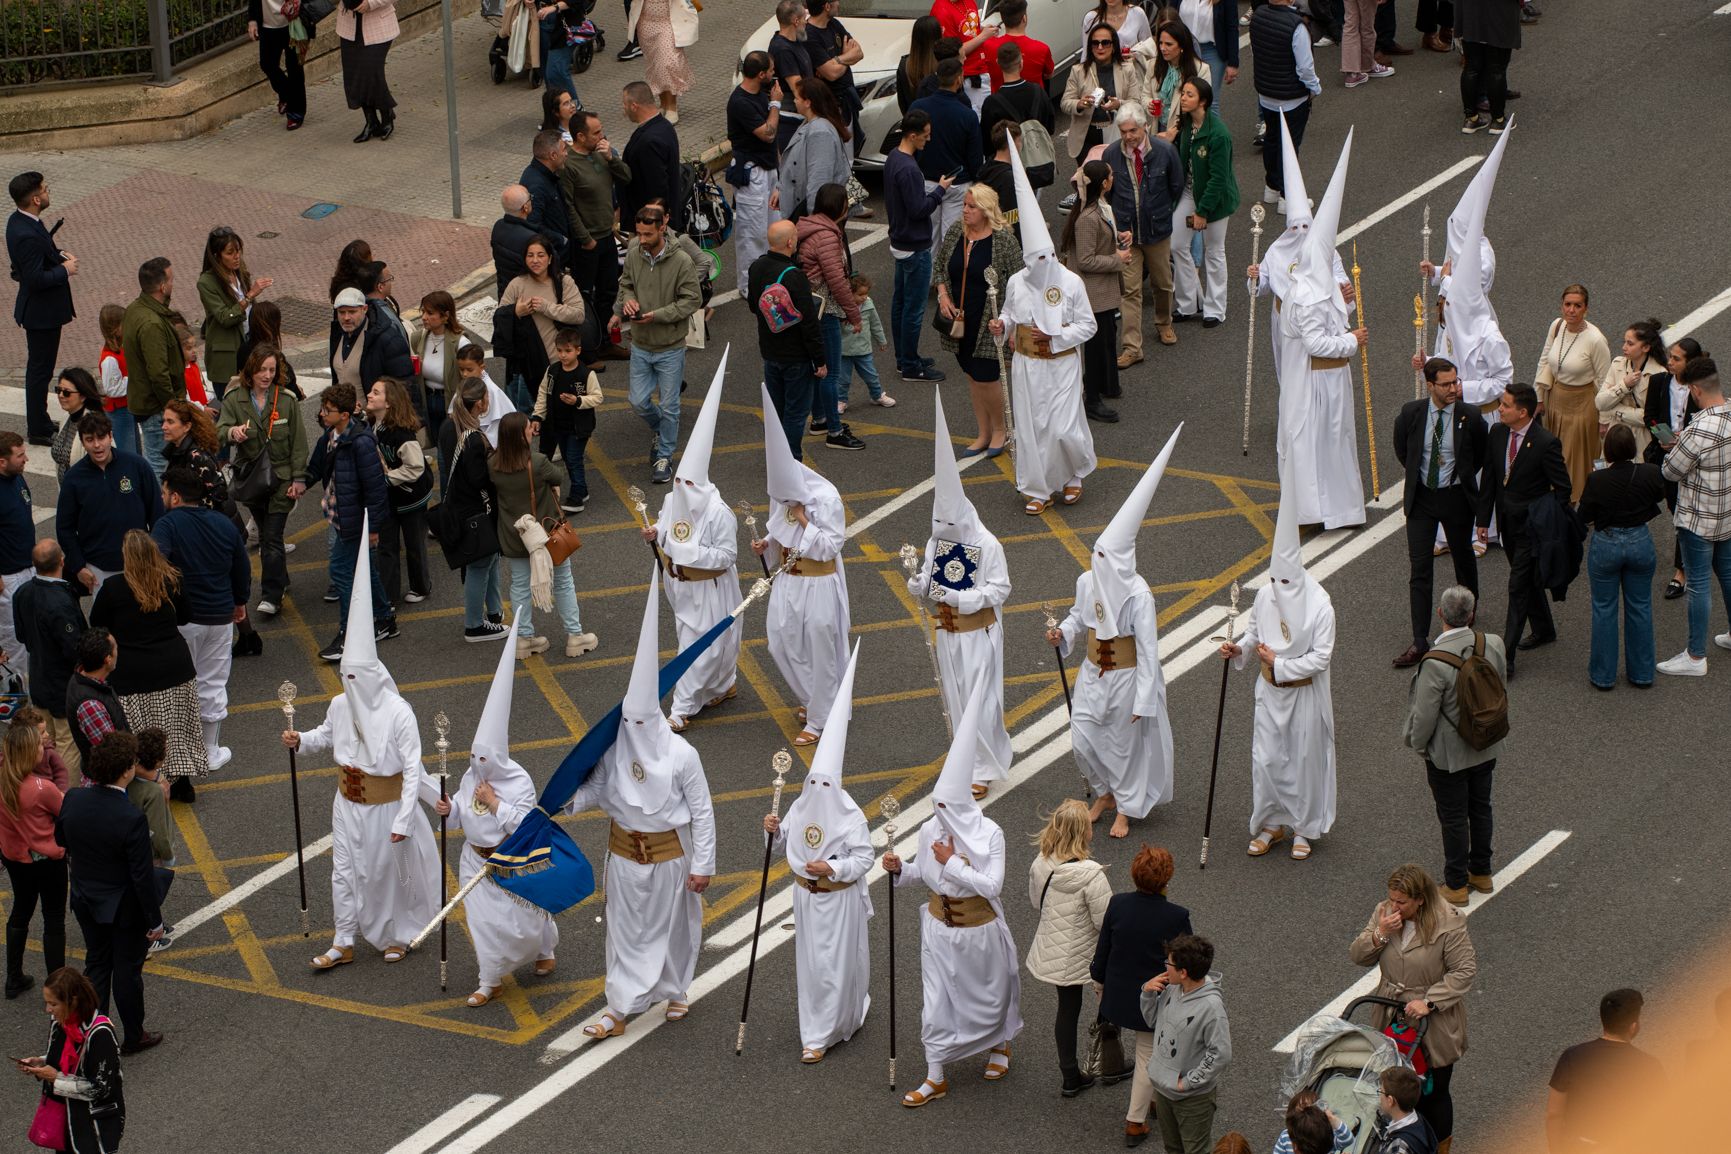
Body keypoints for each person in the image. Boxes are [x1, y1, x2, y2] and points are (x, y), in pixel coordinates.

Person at [570, 571, 716, 1040]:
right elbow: (597, 786)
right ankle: (620, 1007)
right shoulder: (616, 749)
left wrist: (705, 865)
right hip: (624, 856)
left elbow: (703, 812)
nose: (632, 727)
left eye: (639, 720)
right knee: (625, 933)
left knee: (673, 928)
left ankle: (676, 989)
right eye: (626, 720)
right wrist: (570, 801)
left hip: (672, 856)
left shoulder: (682, 755)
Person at [284, 546, 439, 970]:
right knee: (344, 870)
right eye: (343, 677)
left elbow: (411, 769)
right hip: (346, 802)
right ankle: (343, 937)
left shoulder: (398, 712)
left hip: (386, 807)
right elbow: (326, 735)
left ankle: (399, 934)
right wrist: (301, 740)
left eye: (354, 677)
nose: (347, 684)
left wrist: (406, 820)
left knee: (387, 874)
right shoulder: (340, 705)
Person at [884, 682, 1022, 1107]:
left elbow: (993, 885)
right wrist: (899, 871)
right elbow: (922, 876)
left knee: (989, 995)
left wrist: (953, 862)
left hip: (979, 931)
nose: (937, 818)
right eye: (935, 808)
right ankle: (935, 1073)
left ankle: (999, 1044)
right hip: (939, 931)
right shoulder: (931, 831)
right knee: (936, 1003)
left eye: (945, 808)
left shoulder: (990, 833)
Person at [1052, 432, 1181, 839]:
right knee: (1084, 739)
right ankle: (1104, 791)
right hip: (1093, 673)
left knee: (1123, 747)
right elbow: (1078, 618)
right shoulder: (1087, 582)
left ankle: (1125, 806)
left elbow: (1147, 650)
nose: (1098, 563)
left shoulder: (1139, 596)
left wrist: (1144, 698)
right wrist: (1063, 633)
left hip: (1125, 678)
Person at [428, 609, 558, 1007]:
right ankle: (489, 980)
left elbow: (525, 827)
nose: (478, 766)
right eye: (474, 758)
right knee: (483, 923)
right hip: (475, 861)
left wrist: (495, 803)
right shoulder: (469, 776)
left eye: (485, 760)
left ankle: (544, 947)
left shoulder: (518, 781)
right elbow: (462, 819)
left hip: (511, 860)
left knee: (525, 921)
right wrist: (449, 811)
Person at [762, 640, 871, 1062]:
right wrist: (771, 831)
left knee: (837, 966)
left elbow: (864, 859)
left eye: (826, 785)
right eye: (814, 784)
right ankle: (815, 1032)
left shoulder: (850, 815)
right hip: (805, 900)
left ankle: (836, 1024)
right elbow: (780, 843)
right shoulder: (799, 805)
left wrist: (834, 866)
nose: (819, 791)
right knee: (811, 967)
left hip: (838, 899)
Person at [1221, 477, 1337, 861]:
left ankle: (1303, 827)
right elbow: (1255, 632)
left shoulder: (1320, 606)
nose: (1276, 588)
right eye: (1273, 580)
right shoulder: (1269, 593)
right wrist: (1239, 648)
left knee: (1302, 761)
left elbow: (1321, 657)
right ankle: (1271, 823)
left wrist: (1280, 663)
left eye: (1283, 581)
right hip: (1270, 692)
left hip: (1302, 693)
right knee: (1267, 759)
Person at [907, 393, 1011, 796]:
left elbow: (1001, 588)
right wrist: (921, 585)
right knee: (956, 696)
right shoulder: (940, 538)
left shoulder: (988, 544)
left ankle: (983, 767)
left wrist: (961, 598)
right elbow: (930, 578)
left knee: (981, 702)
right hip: (948, 632)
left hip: (978, 632)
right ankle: (963, 758)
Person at [991, 150, 1098, 513]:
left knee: (1063, 428)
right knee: (1033, 427)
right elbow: (1008, 313)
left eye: (1045, 258)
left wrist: (1055, 338)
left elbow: (1088, 324)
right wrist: (1001, 325)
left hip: (1062, 364)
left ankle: (1073, 474)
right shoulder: (1017, 283)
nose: (1040, 266)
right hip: (1026, 365)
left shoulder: (1070, 283)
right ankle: (1037, 488)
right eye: (1032, 260)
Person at [1350, 863, 1479, 1150]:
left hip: (1433, 1022)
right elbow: (1358, 955)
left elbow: (1464, 970)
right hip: (1391, 1014)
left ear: (1420, 899)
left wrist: (1430, 1002)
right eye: (1391, 898)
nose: (1394, 906)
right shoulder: (1384, 913)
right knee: (1392, 1087)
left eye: (1402, 902)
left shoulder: (1449, 922)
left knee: (1434, 1093)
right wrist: (1380, 933)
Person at [1276, 131, 1365, 528]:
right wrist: (1352, 340)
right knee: (1315, 443)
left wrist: (1347, 299)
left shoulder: (1320, 285)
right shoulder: (1306, 294)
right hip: (1316, 381)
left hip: (1333, 380)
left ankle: (1341, 509)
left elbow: (1339, 311)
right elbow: (1315, 341)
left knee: (1336, 443)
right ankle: (1313, 510)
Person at [57, 729, 165, 1053]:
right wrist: (155, 921)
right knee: (127, 972)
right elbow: (142, 877)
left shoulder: (74, 799)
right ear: (126, 770)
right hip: (122, 907)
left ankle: (92, 1032)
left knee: (97, 964)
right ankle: (134, 1035)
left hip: (84, 898)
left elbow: (62, 840)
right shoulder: (130, 817)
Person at [754, 385, 850, 745]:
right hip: (788, 582)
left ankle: (821, 717)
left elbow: (829, 547)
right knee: (780, 642)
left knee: (819, 647)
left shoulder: (826, 499)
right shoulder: (783, 494)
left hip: (819, 583)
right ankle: (812, 699)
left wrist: (805, 520)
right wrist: (767, 543)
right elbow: (780, 531)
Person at [647, 363, 740, 731]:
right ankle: (722, 685)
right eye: (679, 481)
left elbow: (728, 556)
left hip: (710, 587)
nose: (682, 489)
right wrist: (654, 532)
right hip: (679, 585)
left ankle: (680, 709)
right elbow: (664, 521)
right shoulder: (675, 500)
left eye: (688, 483)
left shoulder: (720, 513)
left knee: (699, 648)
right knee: (704, 647)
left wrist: (690, 555)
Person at [1402, 586, 1506, 904]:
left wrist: (1420, 747)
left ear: (1440, 614)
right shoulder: (1493, 644)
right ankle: (1482, 872)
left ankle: (1456, 883)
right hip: (1485, 744)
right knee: (1481, 807)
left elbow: (1424, 717)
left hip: (1448, 755)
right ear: (1471, 615)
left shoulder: (1435, 662)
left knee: (1453, 816)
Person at [88, 532, 208, 800]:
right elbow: (187, 615)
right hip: (175, 667)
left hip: (133, 674)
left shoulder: (114, 588)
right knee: (176, 729)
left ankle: (145, 783)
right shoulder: (171, 579)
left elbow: (97, 625)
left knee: (140, 733)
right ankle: (182, 784)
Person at [1091, 845, 1194, 1146]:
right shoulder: (1176, 916)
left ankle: (1149, 1101)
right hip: (1154, 998)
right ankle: (1135, 1121)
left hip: (1118, 995)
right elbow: (1186, 959)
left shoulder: (1118, 904)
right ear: (1167, 879)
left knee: (1146, 1054)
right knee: (1148, 1055)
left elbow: (1103, 950)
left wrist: (1099, 983)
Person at [149, 468, 247, 775]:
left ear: (176, 496)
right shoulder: (222, 523)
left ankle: (173, 752)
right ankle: (209, 751)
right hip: (220, 617)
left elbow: (155, 564)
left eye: (165, 493)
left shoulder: (166, 526)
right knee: (212, 682)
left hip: (182, 620)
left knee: (176, 683)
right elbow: (241, 565)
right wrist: (240, 601)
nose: (163, 498)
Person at [1393, 360, 1489, 666]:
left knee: (1463, 558)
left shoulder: (1470, 416)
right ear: (1430, 385)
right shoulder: (1412, 413)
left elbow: (1480, 455)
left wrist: (1458, 478)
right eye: (1446, 384)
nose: (1453, 389)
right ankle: (1420, 640)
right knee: (1419, 569)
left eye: (1455, 382)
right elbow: (1403, 451)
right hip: (1421, 498)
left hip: (1456, 498)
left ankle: (1466, 625)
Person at [1479, 383, 1572, 677]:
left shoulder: (1545, 443)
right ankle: (1544, 629)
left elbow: (1563, 489)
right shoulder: (1497, 433)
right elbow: (1491, 479)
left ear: (1523, 412)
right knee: (1527, 581)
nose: (1500, 409)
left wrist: (1543, 520)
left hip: (1531, 529)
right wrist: (1483, 520)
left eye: (1505, 405)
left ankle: (1506, 657)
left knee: (1517, 586)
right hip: (1507, 522)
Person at [489, 412, 597, 661]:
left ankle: (524, 639)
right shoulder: (537, 462)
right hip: (546, 533)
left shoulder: (493, 465)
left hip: (514, 535)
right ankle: (575, 635)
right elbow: (557, 478)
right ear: (520, 435)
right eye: (529, 428)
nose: (532, 431)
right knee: (563, 581)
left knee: (519, 586)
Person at [1026, 799, 1112, 1096]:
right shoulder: (1092, 874)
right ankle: (1109, 1062)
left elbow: (1036, 901)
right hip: (1088, 952)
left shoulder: (1041, 862)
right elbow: (1105, 921)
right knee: (1109, 1002)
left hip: (1055, 947)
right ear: (1081, 832)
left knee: (1067, 1010)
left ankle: (1070, 1074)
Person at [217, 346, 307, 620]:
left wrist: (299, 479)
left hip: (280, 479)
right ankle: (280, 577)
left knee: (271, 536)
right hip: (253, 480)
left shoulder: (287, 400)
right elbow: (219, 431)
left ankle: (271, 595)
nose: (267, 375)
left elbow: (299, 443)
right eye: (262, 370)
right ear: (250, 371)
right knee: (270, 535)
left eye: (272, 369)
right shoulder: (235, 398)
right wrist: (233, 432)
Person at [615, 205, 701, 485]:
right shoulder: (634, 253)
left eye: (647, 234)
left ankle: (664, 455)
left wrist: (658, 315)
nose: (641, 239)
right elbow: (625, 283)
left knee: (670, 406)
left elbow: (692, 300)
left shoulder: (682, 262)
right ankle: (661, 430)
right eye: (638, 233)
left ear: (662, 228)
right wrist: (627, 301)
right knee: (638, 401)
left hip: (670, 347)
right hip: (640, 344)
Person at [1659, 357, 1731, 677]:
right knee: (1728, 576)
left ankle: (1695, 656)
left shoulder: (1698, 427)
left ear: (1695, 390)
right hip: (1728, 514)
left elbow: (1671, 471)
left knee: (1699, 585)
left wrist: (1671, 447)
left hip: (1698, 520)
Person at [314, 382, 396, 662]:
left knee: (340, 572)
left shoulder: (360, 442)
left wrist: (373, 528)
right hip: (340, 517)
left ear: (345, 415)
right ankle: (384, 619)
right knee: (368, 568)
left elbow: (376, 489)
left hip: (352, 522)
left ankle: (349, 633)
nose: (323, 414)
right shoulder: (332, 435)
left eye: (329, 410)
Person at [939, 186, 1022, 459]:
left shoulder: (1004, 241)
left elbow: (1019, 282)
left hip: (989, 319)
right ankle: (983, 432)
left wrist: (1011, 321)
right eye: (964, 204)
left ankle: (1001, 430)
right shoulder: (956, 232)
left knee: (987, 376)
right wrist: (942, 296)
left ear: (986, 210)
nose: (965, 210)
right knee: (972, 375)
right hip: (961, 318)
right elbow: (941, 266)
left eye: (971, 206)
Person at [1579, 426, 1664, 689]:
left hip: (1607, 543)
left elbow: (1584, 515)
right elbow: (1659, 495)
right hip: (1640, 540)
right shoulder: (1649, 472)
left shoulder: (1598, 480)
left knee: (1604, 609)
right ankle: (1642, 673)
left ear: (1608, 451)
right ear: (1632, 449)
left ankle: (1603, 676)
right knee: (1640, 606)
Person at [1140, 933, 1231, 1154]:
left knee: (1195, 1151)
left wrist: (1188, 1083)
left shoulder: (1211, 1008)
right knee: (1173, 1148)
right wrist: (1147, 993)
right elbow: (1152, 1021)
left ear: (1183, 972)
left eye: (1169, 963)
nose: (1164, 966)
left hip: (1192, 1100)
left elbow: (1221, 1054)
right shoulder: (1171, 989)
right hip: (1163, 1090)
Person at [56, 413, 164, 599]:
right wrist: (79, 566)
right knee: (105, 626)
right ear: (82, 442)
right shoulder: (73, 478)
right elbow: (64, 528)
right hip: (98, 569)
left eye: (101, 437)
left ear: (110, 436)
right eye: (90, 440)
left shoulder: (137, 466)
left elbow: (157, 514)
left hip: (139, 565)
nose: (97, 445)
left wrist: (156, 557)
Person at [17, 968, 127, 1148]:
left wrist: (55, 1079)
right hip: (65, 1122)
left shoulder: (101, 1034)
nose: (48, 1009)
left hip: (93, 1128)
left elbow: (100, 1089)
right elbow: (67, 1059)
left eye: (53, 1004)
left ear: (73, 1000)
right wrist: (41, 1061)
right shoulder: (60, 1021)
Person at [1106, 106, 1182, 366]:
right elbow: (1107, 194)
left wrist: (1160, 213)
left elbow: (1176, 186)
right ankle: (1132, 347)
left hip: (1157, 231)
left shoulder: (1165, 152)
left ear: (1145, 127)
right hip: (1127, 235)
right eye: (1123, 131)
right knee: (1130, 291)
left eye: (1133, 131)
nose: (1128, 136)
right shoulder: (1111, 155)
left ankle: (1164, 322)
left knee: (1162, 283)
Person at [1546, 989, 1664, 1154]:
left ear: (1604, 1020)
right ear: (1633, 1026)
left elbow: (1554, 1114)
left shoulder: (1572, 1056)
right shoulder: (1650, 1066)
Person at [796, 184, 868, 451]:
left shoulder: (810, 225)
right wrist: (854, 313)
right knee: (831, 373)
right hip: (824, 311)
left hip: (812, 307)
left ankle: (821, 419)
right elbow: (837, 281)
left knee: (819, 369)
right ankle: (835, 432)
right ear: (841, 209)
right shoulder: (826, 236)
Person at [0, 711, 66, 997]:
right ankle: (56, 988)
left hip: (15, 858)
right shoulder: (41, 788)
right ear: (29, 752)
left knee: (21, 910)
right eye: (40, 745)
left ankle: (13, 976)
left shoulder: (4, 781)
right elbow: (65, 813)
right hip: (47, 860)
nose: (44, 748)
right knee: (53, 919)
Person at [436, 377, 508, 644]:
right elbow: (480, 479)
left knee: (487, 560)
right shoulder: (475, 439)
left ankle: (494, 612)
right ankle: (475, 625)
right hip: (476, 510)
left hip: (457, 506)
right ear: (481, 403)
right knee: (482, 564)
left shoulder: (447, 427)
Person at [884, 110, 952, 385]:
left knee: (900, 303)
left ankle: (904, 358)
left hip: (900, 242)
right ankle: (911, 365)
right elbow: (919, 208)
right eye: (925, 134)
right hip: (915, 245)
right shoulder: (910, 169)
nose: (929, 138)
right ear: (913, 135)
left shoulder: (893, 158)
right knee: (913, 310)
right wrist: (940, 191)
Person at [8, 173, 77, 447]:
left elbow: (40, 254)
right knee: (40, 371)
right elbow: (34, 279)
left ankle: (42, 420)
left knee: (42, 368)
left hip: (42, 311)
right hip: (41, 313)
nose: (48, 193)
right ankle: (37, 428)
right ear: (36, 199)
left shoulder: (22, 221)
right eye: (45, 190)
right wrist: (65, 270)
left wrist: (59, 255)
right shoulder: (25, 233)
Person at [750, 220, 827, 463]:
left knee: (777, 410)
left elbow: (754, 306)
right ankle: (791, 461)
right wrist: (820, 360)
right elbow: (809, 322)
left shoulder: (757, 267)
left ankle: (775, 457)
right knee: (795, 412)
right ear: (791, 242)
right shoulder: (794, 276)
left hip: (770, 351)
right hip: (796, 356)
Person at [12, 542, 86, 778]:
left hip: (38, 678)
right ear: (62, 561)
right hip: (62, 684)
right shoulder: (61, 602)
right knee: (67, 746)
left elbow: (21, 635)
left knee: (44, 743)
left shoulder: (22, 593)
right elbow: (75, 648)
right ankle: (65, 800)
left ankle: (44, 793)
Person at [1060, 159, 1126, 423]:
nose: (1113, 177)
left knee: (1109, 338)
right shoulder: (1088, 218)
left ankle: (1108, 384)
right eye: (1110, 175)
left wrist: (1120, 237)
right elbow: (1086, 260)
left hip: (1103, 291)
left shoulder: (1098, 209)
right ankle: (1092, 399)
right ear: (1104, 183)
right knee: (1097, 346)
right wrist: (1118, 259)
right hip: (1094, 293)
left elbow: (1101, 241)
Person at [1534, 284, 1611, 502]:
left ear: (1586, 308)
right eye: (1568, 305)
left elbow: (1606, 381)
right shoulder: (1557, 326)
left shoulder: (1595, 340)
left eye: (1577, 305)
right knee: (1553, 455)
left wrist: (1604, 420)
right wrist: (1539, 397)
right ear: (1561, 307)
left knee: (1573, 462)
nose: (1571, 310)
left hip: (1581, 406)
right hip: (1555, 401)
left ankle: (1572, 505)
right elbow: (1544, 359)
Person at [1172, 79, 1239, 329]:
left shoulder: (1218, 134)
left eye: (1189, 94)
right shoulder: (1188, 125)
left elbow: (1219, 179)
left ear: (1203, 101)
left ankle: (1215, 308)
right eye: (1183, 93)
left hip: (1215, 200)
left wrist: (1202, 212)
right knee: (1177, 244)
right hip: (1190, 192)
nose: (1184, 98)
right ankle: (1189, 302)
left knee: (1214, 250)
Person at [363, 378, 431, 610]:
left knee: (415, 544)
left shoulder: (402, 434)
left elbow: (415, 468)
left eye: (375, 392)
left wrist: (386, 479)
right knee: (387, 546)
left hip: (412, 498)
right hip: (389, 499)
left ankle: (421, 586)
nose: (369, 395)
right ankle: (388, 597)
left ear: (389, 402)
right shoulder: (373, 425)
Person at [1644, 337, 1705, 600]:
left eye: (1676, 358)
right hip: (1666, 457)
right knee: (1675, 509)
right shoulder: (1659, 382)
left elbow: (1710, 420)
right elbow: (1650, 416)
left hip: (1693, 460)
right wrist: (1662, 434)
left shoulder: (1702, 387)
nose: (1669, 362)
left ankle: (1681, 571)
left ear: (1691, 363)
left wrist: (1685, 438)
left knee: (1684, 513)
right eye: (1670, 356)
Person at [500, 235, 586, 416]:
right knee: (526, 415)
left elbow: (578, 314)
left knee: (559, 415)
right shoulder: (517, 284)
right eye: (530, 255)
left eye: (540, 255)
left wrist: (548, 308)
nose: (535, 260)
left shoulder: (564, 282)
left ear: (550, 258)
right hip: (526, 365)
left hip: (557, 362)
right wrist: (517, 311)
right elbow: (499, 318)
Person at [910, 59, 983, 265]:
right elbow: (975, 157)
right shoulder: (967, 115)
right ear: (959, 80)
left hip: (927, 180)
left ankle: (930, 277)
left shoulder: (918, 107)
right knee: (952, 235)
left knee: (929, 234)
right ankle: (948, 280)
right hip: (957, 182)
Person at [120, 257, 183, 475]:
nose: (173, 284)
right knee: (159, 462)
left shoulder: (135, 309)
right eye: (172, 280)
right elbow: (158, 373)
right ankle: (158, 508)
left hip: (147, 401)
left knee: (156, 459)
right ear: (162, 286)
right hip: (156, 407)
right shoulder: (152, 323)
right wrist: (172, 407)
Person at [195, 226, 272, 397]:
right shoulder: (206, 283)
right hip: (226, 357)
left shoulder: (240, 272)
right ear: (217, 256)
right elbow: (225, 317)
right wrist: (250, 295)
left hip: (249, 345)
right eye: (230, 253)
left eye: (238, 251)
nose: (236, 256)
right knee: (231, 406)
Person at [531, 328, 601, 512]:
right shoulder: (552, 371)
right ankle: (582, 490)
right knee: (570, 460)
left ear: (578, 350)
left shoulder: (586, 374)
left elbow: (597, 397)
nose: (563, 355)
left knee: (573, 458)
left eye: (568, 351)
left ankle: (577, 496)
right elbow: (543, 393)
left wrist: (578, 400)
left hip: (578, 427)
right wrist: (538, 416)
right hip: (557, 426)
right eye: (559, 350)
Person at [727, 54, 780, 297]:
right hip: (752, 176)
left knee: (773, 228)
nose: (773, 74)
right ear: (761, 74)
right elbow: (768, 134)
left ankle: (770, 277)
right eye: (770, 70)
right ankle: (749, 286)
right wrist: (775, 105)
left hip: (768, 171)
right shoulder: (740, 102)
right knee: (752, 232)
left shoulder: (760, 95)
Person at [778, 77, 854, 222]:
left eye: (797, 98)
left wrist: (814, 222)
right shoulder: (810, 123)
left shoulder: (820, 132)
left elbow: (819, 181)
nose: (794, 101)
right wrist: (780, 188)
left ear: (808, 102)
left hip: (816, 220)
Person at [1061, 25, 1140, 165]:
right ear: (1090, 47)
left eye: (1105, 42)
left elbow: (1136, 102)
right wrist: (1079, 104)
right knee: (1091, 183)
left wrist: (1119, 104)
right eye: (1095, 43)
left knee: (1117, 179)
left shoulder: (1127, 69)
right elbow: (1065, 102)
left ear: (1114, 46)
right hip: (1087, 136)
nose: (1100, 47)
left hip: (1117, 133)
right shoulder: (1078, 71)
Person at [1595, 318, 1667, 460]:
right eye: (1624, 342)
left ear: (1646, 347)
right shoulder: (1617, 365)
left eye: (1630, 343)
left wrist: (1615, 410)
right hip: (1615, 437)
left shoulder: (1660, 375)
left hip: (1642, 442)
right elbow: (1600, 403)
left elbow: (1650, 417)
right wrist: (1623, 386)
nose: (1624, 347)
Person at [329, 286, 413, 407]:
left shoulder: (387, 339)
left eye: (352, 312)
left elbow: (405, 386)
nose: (346, 318)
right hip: (345, 420)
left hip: (375, 420)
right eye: (342, 312)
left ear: (364, 309)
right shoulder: (338, 334)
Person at [619, 81, 684, 231]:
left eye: (625, 105)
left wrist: (651, 227)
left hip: (651, 226)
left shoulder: (649, 142)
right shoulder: (664, 126)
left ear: (634, 106)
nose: (624, 110)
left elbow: (657, 188)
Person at [979, 41, 1055, 160]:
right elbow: (1050, 127)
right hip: (1040, 161)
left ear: (998, 63)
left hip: (1011, 167)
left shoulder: (991, 103)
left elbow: (987, 144)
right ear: (1021, 63)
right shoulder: (1038, 91)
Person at [1135, 19, 1209, 142]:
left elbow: (1202, 106)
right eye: (1160, 43)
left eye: (1169, 44)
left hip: (1186, 133)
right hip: (1158, 129)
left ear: (1182, 46)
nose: (1163, 48)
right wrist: (1150, 105)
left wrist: (1175, 130)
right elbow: (1145, 95)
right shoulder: (1153, 65)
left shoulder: (1201, 69)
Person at [805, 0, 864, 153]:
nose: (839, 3)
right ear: (827, 6)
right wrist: (845, 56)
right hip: (830, 107)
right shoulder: (810, 36)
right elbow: (831, 74)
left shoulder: (834, 24)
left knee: (849, 153)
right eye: (835, 1)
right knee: (836, 153)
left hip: (846, 102)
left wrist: (837, 60)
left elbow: (858, 52)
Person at [337, 0, 399, 142]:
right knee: (354, 76)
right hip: (349, 26)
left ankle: (386, 114)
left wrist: (370, 3)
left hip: (378, 25)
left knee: (370, 72)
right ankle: (371, 122)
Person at [1456, 0, 1518, 134]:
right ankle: (1498, 120)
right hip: (1498, 13)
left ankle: (1471, 118)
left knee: (1471, 66)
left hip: (1469, 13)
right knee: (1497, 68)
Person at [628, 0, 694, 123]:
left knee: (668, 63)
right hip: (646, 23)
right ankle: (663, 104)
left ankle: (672, 107)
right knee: (656, 65)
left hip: (668, 22)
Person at [0, 434, 32, 678]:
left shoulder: (17, 478)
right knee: (13, 644)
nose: (26, 459)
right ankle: (14, 710)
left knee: (31, 637)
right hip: (7, 579)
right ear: (2, 461)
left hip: (28, 570)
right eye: (20, 455)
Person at [928, 0, 997, 114]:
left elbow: (971, 30)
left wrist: (984, 29)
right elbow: (950, 52)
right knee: (976, 118)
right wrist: (983, 36)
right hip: (966, 77)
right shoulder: (941, 10)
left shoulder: (969, 2)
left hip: (981, 69)